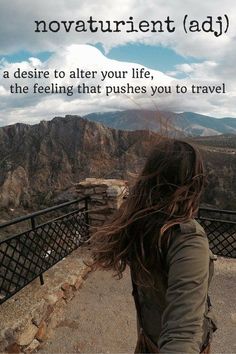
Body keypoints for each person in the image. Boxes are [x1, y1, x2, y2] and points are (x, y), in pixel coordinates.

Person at [90, 138, 217, 354]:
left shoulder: (137, 222)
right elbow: (182, 333)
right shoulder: (188, 239)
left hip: (148, 337)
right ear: (192, 183)